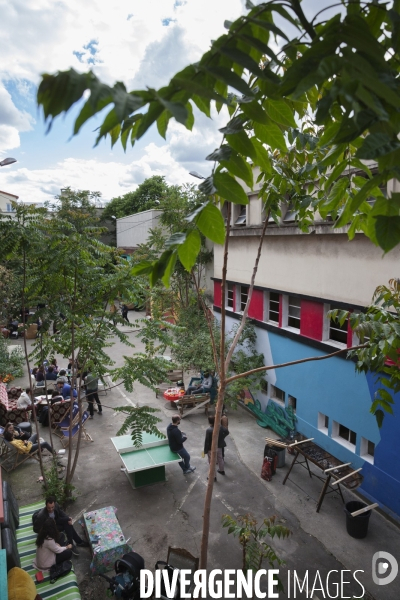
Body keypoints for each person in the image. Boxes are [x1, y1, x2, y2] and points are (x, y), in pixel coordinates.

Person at [203, 415, 229, 479]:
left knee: (212, 462)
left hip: (211, 448)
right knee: (220, 458)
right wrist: (222, 438)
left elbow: (207, 441)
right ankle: (221, 470)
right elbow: (227, 432)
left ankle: (213, 476)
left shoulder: (208, 430)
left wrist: (205, 450)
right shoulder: (220, 427)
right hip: (219, 446)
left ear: (209, 422)